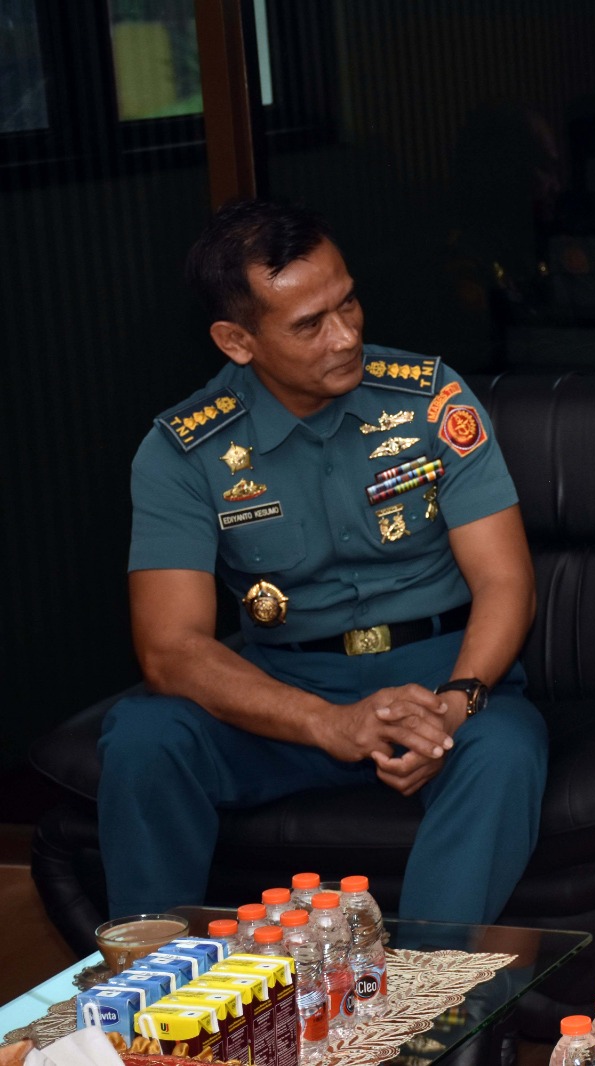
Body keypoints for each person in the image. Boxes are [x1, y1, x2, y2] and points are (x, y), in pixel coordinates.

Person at [98, 199, 548, 925]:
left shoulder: (431, 399)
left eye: (348, 303)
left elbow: (505, 579)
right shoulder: (184, 451)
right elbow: (170, 648)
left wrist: (456, 701)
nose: (345, 336)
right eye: (310, 325)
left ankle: (423, 989)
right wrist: (327, 723)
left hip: (441, 676)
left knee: (505, 752)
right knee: (145, 737)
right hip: (286, 691)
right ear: (237, 341)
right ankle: (154, 978)